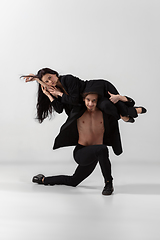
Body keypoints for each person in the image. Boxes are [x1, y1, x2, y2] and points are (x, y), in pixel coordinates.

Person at [32, 91, 126, 195]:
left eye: (94, 101)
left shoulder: (105, 114)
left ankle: (43, 179)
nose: (90, 103)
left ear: (98, 101)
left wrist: (120, 98)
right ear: (83, 100)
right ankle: (109, 183)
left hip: (95, 155)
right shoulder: (77, 112)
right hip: (81, 152)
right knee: (102, 149)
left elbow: (129, 112)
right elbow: (61, 104)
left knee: (73, 181)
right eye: (88, 100)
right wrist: (49, 94)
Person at [22, 68, 146, 123]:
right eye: (47, 81)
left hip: (99, 88)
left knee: (121, 107)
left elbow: (75, 100)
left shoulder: (68, 80)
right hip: (92, 99)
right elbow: (59, 110)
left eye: (50, 78)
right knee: (108, 107)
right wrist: (48, 95)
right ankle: (129, 113)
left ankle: (130, 107)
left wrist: (59, 94)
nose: (50, 82)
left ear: (54, 74)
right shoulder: (54, 91)